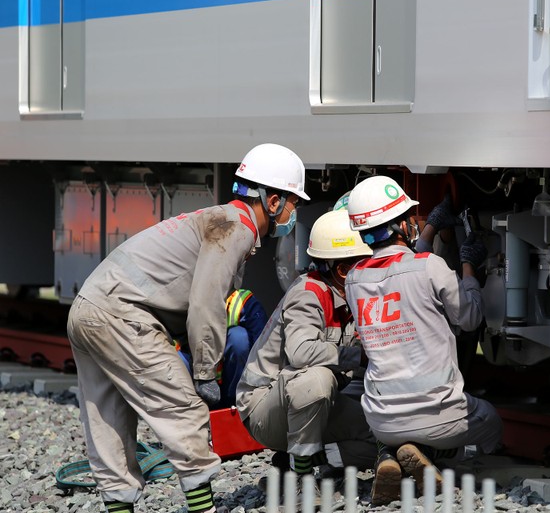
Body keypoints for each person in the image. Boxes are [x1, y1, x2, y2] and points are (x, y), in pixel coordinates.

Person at [65, 143, 309, 513]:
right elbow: (206, 300)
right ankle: (202, 509)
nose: (294, 213)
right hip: (122, 314)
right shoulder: (236, 227)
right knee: (184, 411)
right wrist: (206, 370)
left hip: (88, 307)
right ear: (272, 201)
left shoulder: (216, 219)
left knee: (107, 419)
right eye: (293, 203)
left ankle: (118, 505)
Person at [345, 175, 504, 505]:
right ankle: (437, 460)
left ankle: (391, 455)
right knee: (491, 422)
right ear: (402, 223)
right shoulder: (431, 266)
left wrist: (429, 232)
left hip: (381, 421)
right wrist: (468, 267)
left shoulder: (355, 279)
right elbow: (470, 316)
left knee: (406, 429)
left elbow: (402, 270)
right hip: (439, 415)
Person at [236, 209, 376, 496]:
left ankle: (303, 463)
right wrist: (358, 357)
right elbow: (301, 353)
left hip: (312, 404)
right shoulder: (308, 293)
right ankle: (301, 481)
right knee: (316, 380)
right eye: (364, 263)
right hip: (265, 407)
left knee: (377, 437)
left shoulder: (347, 298)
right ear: (343, 270)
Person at [176, 288, 268, 408]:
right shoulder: (185, 301)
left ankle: (237, 401)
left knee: (238, 338)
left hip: (234, 388)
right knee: (177, 358)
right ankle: (188, 409)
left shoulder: (241, 300)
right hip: (198, 390)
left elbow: (263, 348)